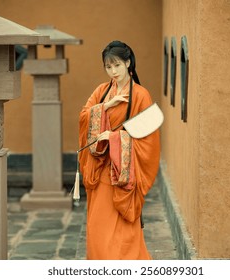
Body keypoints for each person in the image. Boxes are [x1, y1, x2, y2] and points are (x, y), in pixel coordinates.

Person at [78, 40, 160, 260]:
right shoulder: (101, 92)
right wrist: (107, 106)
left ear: (128, 63)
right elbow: (84, 116)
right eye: (108, 67)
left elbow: (147, 139)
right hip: (100, 169)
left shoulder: (141, 95)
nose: (113, 72)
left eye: (117, 65)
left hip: (123, 174)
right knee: (98, 230)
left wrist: (114, 138)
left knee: (122, 234)